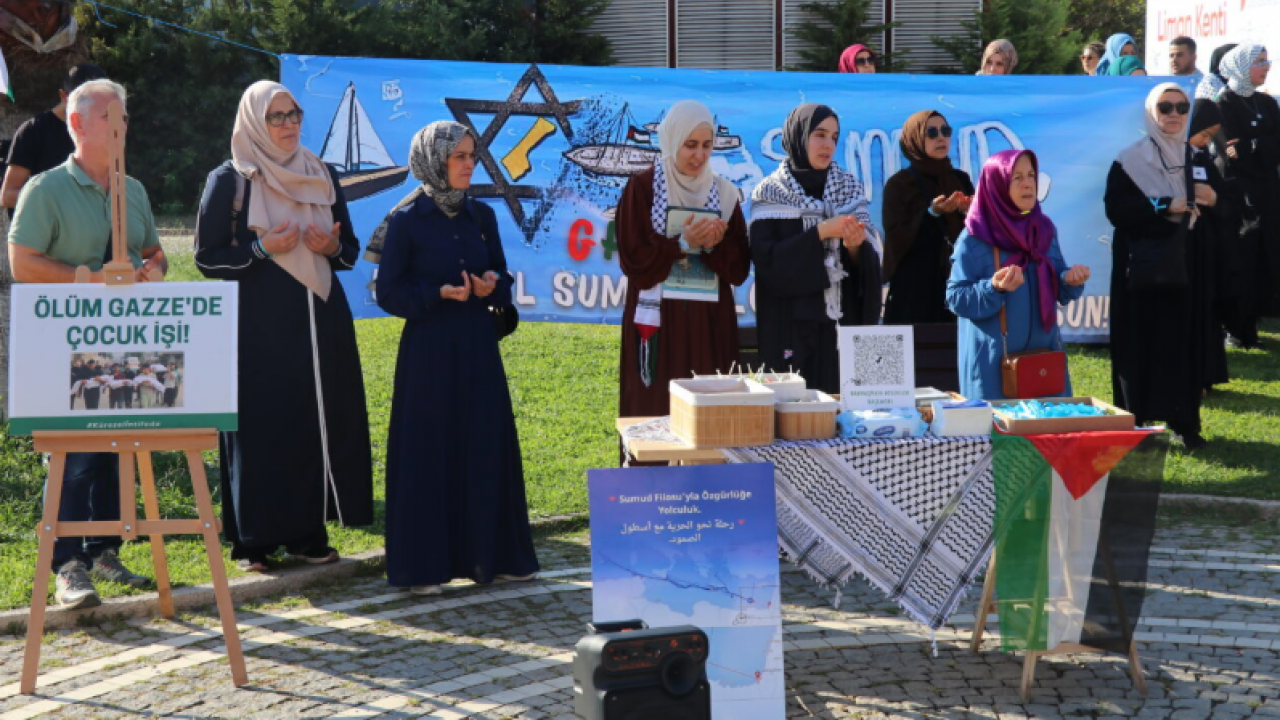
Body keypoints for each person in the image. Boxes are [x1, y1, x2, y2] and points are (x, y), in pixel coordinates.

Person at [194, 80, 374, 572]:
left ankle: (306, 533)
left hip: (319, 318)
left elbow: (349, 250)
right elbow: (207, 259)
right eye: (277, 116)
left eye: (294, 113)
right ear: (254, 121)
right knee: (262, 424)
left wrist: (327, 248)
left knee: (312, 421)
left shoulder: (321, 173)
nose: (290, 123)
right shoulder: (230, 179)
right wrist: (261, 249)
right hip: (257, 325)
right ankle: (254, 541)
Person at [7, 79, 161, 608]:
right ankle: (68, 565)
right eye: (109, 120)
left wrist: (151, 271)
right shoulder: (45, 189)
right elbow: (22, 263)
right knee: (75, 456)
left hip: (126, 344)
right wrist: (90, 279)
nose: (121, 130)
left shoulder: (133, 189)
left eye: (124, 120)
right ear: (77, 124)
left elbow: (154, 252)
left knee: (117, 448)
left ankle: (104, 552)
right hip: (63, 346)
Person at [376, 120, 539, 596]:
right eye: (460, 157)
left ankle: (496, 557)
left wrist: (493, 287)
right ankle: (424, 566)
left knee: (484, 445)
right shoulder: (405, 220)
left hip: (477, 347)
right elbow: (389, 292)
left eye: (473, 155)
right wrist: (436, 294)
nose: (470, 164)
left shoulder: (481, 216)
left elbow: (503, 277)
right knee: (430, 451)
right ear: (435, 161)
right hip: (428, 352)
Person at [616, 100, 750, 429]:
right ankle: (654, 480)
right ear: (672, 140)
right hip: (660, 321)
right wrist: (681, 244)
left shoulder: (725, 193)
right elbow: (634, 260)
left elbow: (739, 269)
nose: (699, 155)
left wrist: (714, 246)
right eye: (690, 145)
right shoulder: (643, 188)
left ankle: (711, 480)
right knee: (657, 410)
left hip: (708, 322)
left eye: (706, 146)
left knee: (709, 413)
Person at [1105, 84, 1215, 449]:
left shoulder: (1197, 159)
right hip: (1141, 265)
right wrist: (1165, 204)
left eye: (1181, 107)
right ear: (1151, 112)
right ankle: (1136, 421)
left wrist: (1216, 198)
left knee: (1181, 341)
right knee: (1139, 340)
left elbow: (1227, 209)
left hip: (1185, 266)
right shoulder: (1129, 160)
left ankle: (1185, 423)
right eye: (1165, 106)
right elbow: (1117, 210)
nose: (1173, 114)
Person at [749, 103, 882, 394]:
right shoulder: (770, 192)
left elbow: (866, 268)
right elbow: (768, 263)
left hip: (839, 328)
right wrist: (822, 232)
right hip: (789, 325)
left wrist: (855, 247)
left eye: (834, 137)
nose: (828, 145)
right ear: (798, 136)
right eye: (819, 135)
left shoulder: (849, 188)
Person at [946, 150, 1089, 401]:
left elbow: (1055, 277)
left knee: (1047, 436)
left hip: (1044, 359)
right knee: (1001, 436)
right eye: (1016, 177)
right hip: (995, 366)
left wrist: (1068, 279)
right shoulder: (974, 237)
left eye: (1031, 175)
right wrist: (993, 287)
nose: (1027, 183)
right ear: (997, 185)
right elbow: (956, 297)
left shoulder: (1043, 229)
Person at [1212, 44, 1280, 348]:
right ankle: (1237, 327)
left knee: (1268, 253)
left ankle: (1257, 319)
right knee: (1241, 255)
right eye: (1260, 62)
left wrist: (1252, 145)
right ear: (1241, 66)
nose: (1266, 68)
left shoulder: (1267, 103)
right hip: (1238, 192)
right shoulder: (1223, 102)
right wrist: (1260, 145)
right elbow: (1230, 151)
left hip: (1267, 189)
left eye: (1267, 62)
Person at [881, 109, 973, 324]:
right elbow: (896, 237)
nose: (941, 137)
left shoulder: (960, 179)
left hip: (957, 282)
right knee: (917, 353)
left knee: (956, 353)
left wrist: (970, 213)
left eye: (945, 131)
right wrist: (932, 213)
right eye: (931, 132)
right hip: (915, 289)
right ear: (914, 138)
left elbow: (980, 233)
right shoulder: (900, 184)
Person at [1, 64, 107, 216]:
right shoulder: (33, 131)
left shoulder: (106, 131)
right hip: (44, 236)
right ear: (64, 96)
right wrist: (60, 200)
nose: (91, 108)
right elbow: (8, 196)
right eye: (83, 101)